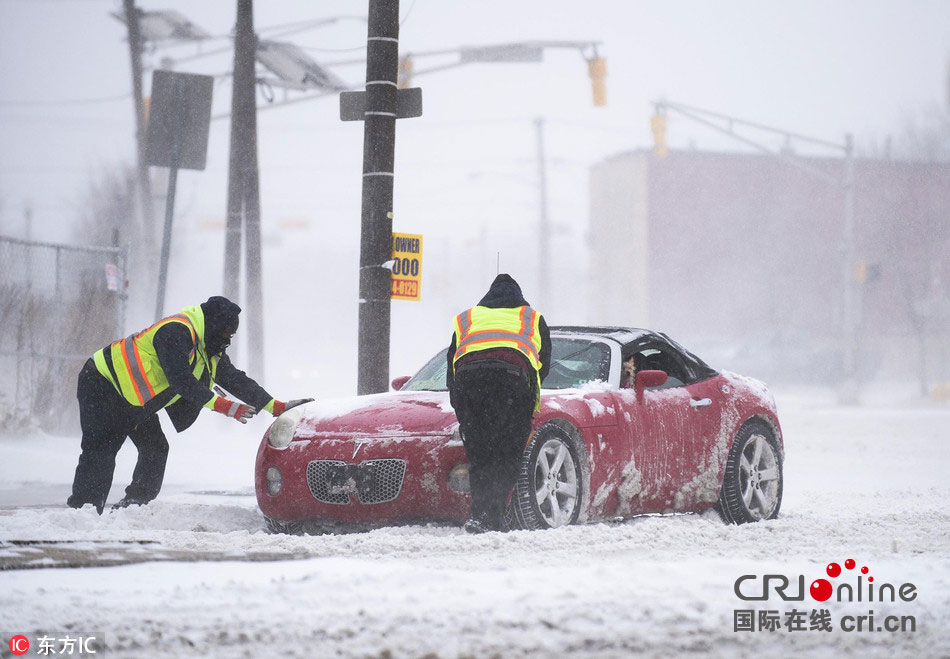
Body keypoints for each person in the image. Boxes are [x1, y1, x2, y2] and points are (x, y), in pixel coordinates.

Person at [67, 296, 312, 514]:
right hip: (102, 383)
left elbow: (233, 379)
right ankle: (83, 512)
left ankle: (135, 506)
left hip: (134, 399)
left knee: (155, 448)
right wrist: (224, 406)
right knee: (101, 451)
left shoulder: (207, 346)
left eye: (231, 337)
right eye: (226, 334)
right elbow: (181, 379)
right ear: (214, 326)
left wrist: (274, 406)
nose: (227, 341)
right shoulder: (176, 332)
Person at [446, 274, 551, 533]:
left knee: (481, 454)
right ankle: (489, 514)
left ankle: (483, 515)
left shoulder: (467, 319)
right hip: (510, 385)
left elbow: (451, 365)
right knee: (507, 453)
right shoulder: (532, 318)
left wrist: (459, 403)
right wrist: (525, 400)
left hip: (471, 385)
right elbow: (543, 364)